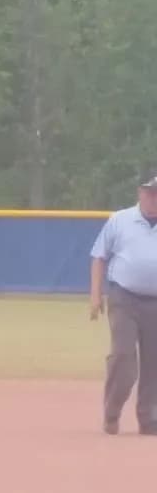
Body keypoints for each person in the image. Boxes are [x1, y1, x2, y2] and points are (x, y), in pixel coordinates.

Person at [90, 174, 157, 435]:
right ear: (140, 193)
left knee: (154, 363)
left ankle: (149, 418)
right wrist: (95, 295)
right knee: (123, 357)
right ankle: (112, 411)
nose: (153, 198)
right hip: (125, 299)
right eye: (149, 192)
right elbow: (98, 256)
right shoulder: (120, 220)